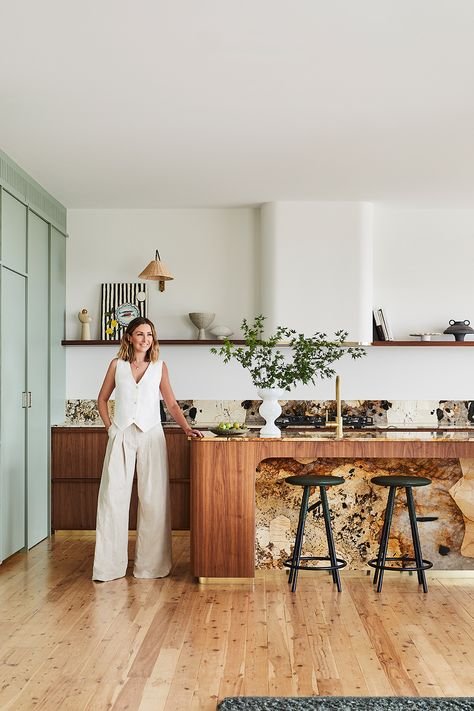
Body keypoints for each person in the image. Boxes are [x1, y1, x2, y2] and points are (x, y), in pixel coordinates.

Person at [92, 316, 203, 582]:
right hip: (121, 434)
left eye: (149, 335)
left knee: (154, 499)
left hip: (152, 434)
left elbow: (172, 404)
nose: (145, 339)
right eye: (140, 334)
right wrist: (110, 428)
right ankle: (108, 568)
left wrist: (186, 428)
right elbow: (102, 399)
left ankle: (150, 567)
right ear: (130, 337)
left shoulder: (159, 366)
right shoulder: (116, 365)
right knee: (112, 499)